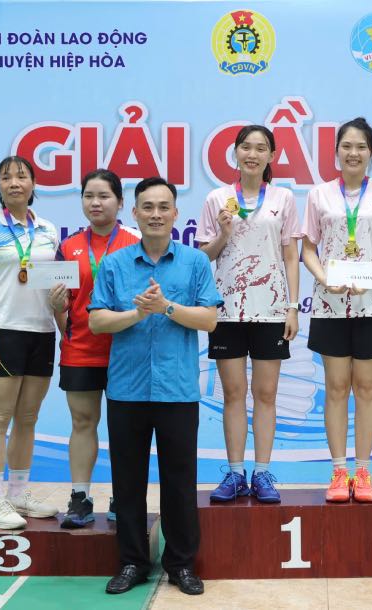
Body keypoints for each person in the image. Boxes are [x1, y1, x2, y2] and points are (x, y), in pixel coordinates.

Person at [89, 176, 222, 596]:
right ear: (135, 213)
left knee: (179, 482)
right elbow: (96, 320)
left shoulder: (195, 262)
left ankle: (181, 564)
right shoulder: (114, 263)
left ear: (175, 214)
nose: (155, 215)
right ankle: (132, 562)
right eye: (147, 207)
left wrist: (165, 306)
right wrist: (137, 313)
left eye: (163, 207)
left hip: (177, 390)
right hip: (127, 389)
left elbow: (208, 319)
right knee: (127, 482)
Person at [300, 117, 372, 503]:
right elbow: (308, 249)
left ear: (371, 153)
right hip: (330, 304)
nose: (353, 153)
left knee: (366, 389)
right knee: (335, 388)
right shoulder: (319, 195)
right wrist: (322, 278)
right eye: (346, 146)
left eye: (361, 147)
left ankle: (363, 472)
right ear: (336, 152)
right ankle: (338, 472)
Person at [197, 125, 300, 504]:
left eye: (261, 148)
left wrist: (292, 306)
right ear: (235, 153)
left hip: (271, 310)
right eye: (246, 147)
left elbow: (291, 256)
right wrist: (223, 233)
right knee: (234, 394)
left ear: (271, 156)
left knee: (267, 393)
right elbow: (204, 255)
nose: (252, 154)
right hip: (226, 311)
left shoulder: (284, 198)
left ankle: (262, 473)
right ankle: (235, 473)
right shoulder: (216, 199)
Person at [0, 155, 60, 530]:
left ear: (34, 184)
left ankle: (19, 493)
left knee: (28, 418)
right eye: (6, 177)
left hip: (42, 331)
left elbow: (54, 283)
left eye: (21, 176)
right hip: (3, 330)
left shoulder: (49, 229)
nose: (14, 182)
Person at [49, 169, 139, 528]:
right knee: (83, 423)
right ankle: (80, 497)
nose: (96, 203)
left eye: (104, 196)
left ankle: (123, 496)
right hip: (80, 351)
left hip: (126, 352)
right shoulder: (69, 247)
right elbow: (61, 305)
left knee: (124, 429)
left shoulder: (134, 243)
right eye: (89, 196)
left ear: (120, 202)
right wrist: (60, 313)